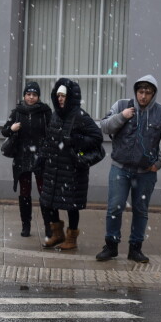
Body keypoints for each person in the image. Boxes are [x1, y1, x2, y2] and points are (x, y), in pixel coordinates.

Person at [96, 75, 161, 263]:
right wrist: (122, 117)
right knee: (114, 208)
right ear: (136, 92)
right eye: (140, 92)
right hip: (120, 169)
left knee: (140, 211)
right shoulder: (121, 105)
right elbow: (104, 126)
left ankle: (135, 249)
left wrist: (160, 163)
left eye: (148, 93)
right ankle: (111, 245)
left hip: (146, 173)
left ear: (153, 94)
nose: (143, 96)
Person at [40, 79, 103, 250]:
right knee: (49, 203)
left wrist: (77, 140)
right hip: (53, 169)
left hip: (72, 170)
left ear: (71, 97)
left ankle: (71, 238)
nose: (60, 99)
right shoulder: (55, 115)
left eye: (64, 95)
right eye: (58, 95)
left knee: (71, 206)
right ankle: (57, 234)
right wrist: (42, 158)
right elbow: (49, 139)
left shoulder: (80, 116)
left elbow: (97, 137)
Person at [1, 81, 55, 239]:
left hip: (41, 157)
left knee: (44, 193)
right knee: (24, 193)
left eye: (34, 95)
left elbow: (52, 132)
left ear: (38, 96)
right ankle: (26, 225)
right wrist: (12, 129)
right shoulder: (17, 112)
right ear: (24, 95)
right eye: (28, 94)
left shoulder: (45, 112)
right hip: (22, 157)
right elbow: (5, 131)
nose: (31, 97)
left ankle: (48, 226)